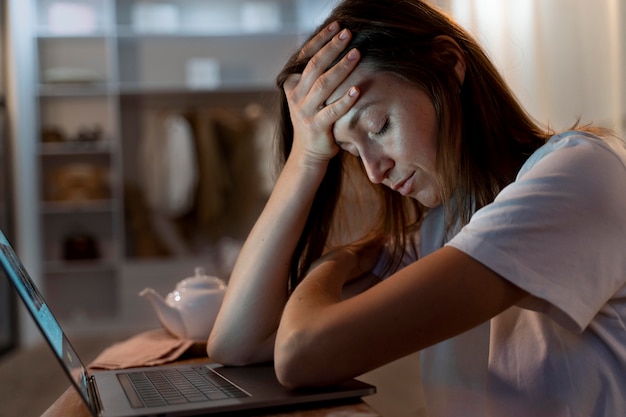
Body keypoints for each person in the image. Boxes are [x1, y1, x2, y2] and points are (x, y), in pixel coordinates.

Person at [207, 0, 626, 415]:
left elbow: (302, 355)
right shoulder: (448, 222)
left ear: (446, 64)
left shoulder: (576, 176)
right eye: (351, 151)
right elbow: (237, 342)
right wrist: (307, 158)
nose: (374, 171)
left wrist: (333, 262)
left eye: (379, 127)